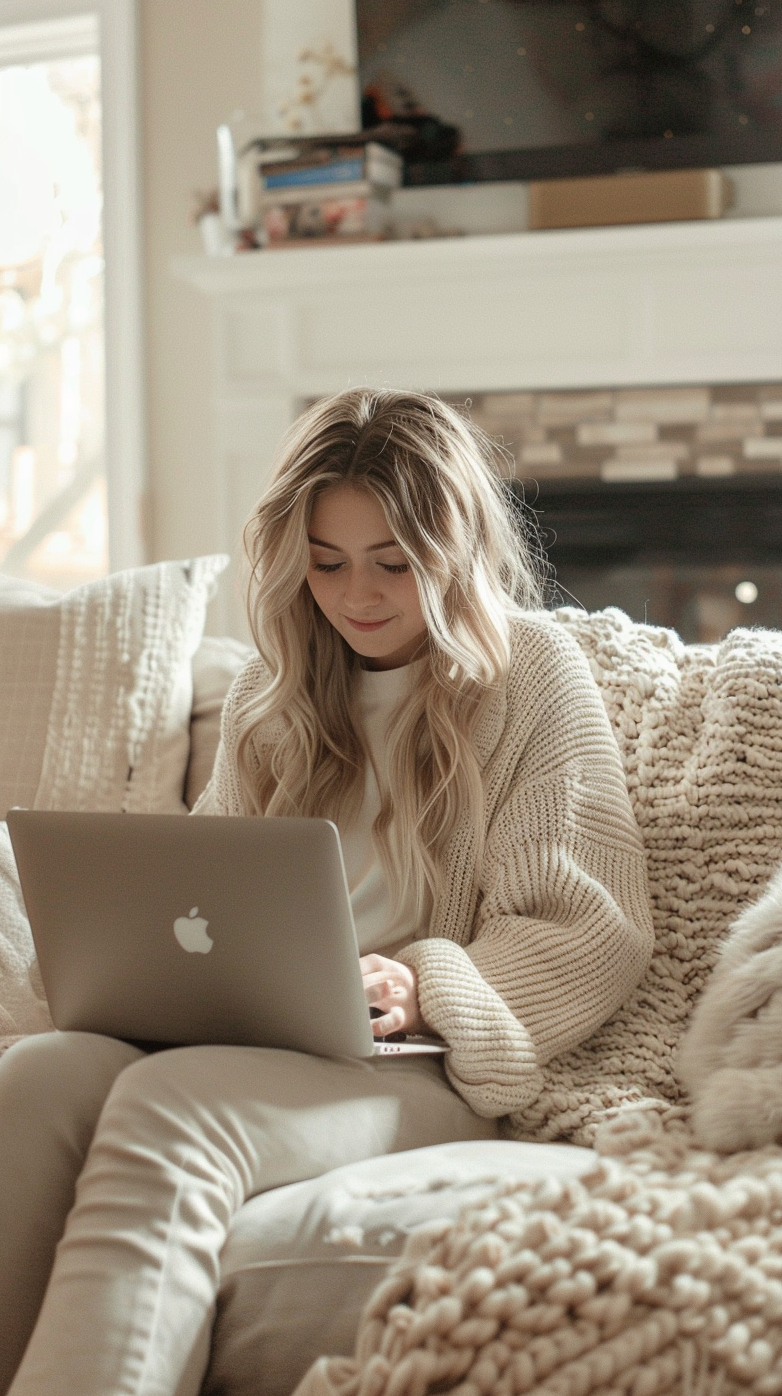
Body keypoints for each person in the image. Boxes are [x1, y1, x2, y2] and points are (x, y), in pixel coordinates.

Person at [0, 389, 654, 1396]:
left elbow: (587, 929)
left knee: (174, 1111)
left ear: (458, 548)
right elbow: (207, 899)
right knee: (38, 1073)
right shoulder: (276, 696)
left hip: (420, 1063)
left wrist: (424, 984)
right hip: (263, 1038)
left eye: (394, 561)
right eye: (328, 560)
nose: (359, 594)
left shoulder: (534, 676)